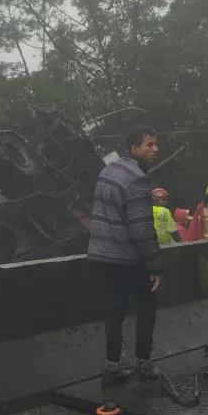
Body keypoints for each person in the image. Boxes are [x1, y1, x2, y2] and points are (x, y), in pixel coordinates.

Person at [87, 126, 163, 384]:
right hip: (127, 257)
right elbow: (141, 227)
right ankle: (143, 364)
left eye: (155, 144)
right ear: (134, 148)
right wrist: (154, 264)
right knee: (146, 305)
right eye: (149, 145)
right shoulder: (136, 179)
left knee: (115, 309)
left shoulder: (107, 171)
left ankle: (112, 367)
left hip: (102, 254)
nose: (155, 150)